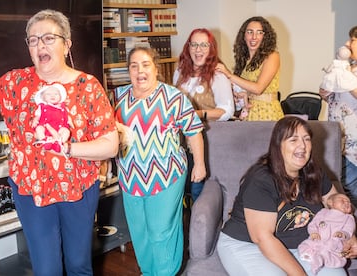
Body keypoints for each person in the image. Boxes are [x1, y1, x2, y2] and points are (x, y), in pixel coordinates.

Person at [0, 9, 118, 276]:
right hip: (31, 192)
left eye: (48, 38)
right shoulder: (15, 82)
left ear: (67, 45)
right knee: (47, 270)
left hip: (78, 190)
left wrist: (67, 148)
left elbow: (110, 145)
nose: (39, 45)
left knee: (79, 265)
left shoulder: (88, 86)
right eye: (33, 40)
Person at [114, 46, 206, 275]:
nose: (139, 70)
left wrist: (201, 164)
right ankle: (148, 272)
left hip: (167, 174)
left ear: (156, 68)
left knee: (162, 231)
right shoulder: (118, 97)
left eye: (145, 64)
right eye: (133, 66)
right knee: (140, 232)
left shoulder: (174, 98)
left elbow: (193, 131)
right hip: (129, 176)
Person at [216, 116, 345, 276]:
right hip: (247, 244)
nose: (302, 146)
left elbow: (336, 204)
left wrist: (348, 235)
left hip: (303, 245)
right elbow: (263, 238)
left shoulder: (313, 172)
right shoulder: (261, 180)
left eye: (306, 139)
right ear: (278, 145)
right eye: (293, 140)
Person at [173, 28, 234, 202]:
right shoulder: (179, 72)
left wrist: (197, 114)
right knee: (182, 193)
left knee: (199, 192)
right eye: (194, 44)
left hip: (206, 141)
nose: (198, 49)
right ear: (188, 47)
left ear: (211, 49)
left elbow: (227, 111)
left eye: (203, 45)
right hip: (180, 144)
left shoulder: (218, 75)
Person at [216, 16, 284, 121]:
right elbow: (245, 88)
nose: (254, 37)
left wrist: (229, 75)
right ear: (244, 35)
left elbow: (258, 89)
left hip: (267, 114)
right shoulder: (244, 60)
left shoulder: (272, 56)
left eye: (259, 32)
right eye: (250, 32)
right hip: (247, 113)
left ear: (265, 36)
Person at [319, 26, 357, 209]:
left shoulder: (349, 74)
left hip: (354, 143)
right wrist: (325, 92)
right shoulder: (346, 68)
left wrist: (347, 81)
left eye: (352, 41)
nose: (347, 44)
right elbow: (332, 96)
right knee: (342, 187)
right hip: (338, 135)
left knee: (351, 187)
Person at [298, 193, 355, 275]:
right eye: (342, 200)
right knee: (305, 245)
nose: (347, 203)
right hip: (318, 238)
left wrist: (343, 234)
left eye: (349, 203)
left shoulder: (348, 218)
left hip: (334, 243)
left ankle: (322, 259)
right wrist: (313, 232)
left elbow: (349, 230)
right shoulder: (323, 212)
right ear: (330, 202)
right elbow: (313, 224)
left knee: (337, 258)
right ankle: (310, 256)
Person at [32, 83, 73, 153]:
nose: (52, 96)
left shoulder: (62, 107)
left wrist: (70, 121)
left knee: (66, 131)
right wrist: (35, 120)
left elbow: (67, 116)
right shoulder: (42, 107)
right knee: (39, 129)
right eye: (48, 94)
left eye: (56, 94)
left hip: (59, 128)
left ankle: (59, 142)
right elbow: (38, 115)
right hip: (45, 127)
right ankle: (44, 140)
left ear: (60, 97)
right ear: (43, 97)